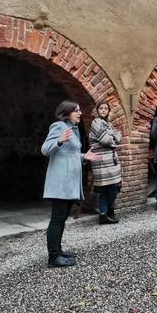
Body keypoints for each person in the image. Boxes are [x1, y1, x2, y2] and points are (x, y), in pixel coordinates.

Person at [42, 101, 99, 268]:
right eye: (76, 111)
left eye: (80, 110)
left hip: (69, 183)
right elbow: (45, 149)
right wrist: (58, 141)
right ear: (66, 113)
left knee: (61, 219)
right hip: (60, 183)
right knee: (57, 219)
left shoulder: (73, 130)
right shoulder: (58, 126)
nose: (80, 113)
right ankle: (53, 257)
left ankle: (58, 251)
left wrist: (83, 157)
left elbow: (68, 155)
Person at [89, 100, 122, 225]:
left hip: (112, 160)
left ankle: (110, 211)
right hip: (101, 161)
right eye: (101, 108)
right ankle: (103, 215)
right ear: (97, 110)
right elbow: (107, 140)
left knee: (114, 187)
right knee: (104, 188)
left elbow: (119, 138)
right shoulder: (96, 122)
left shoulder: (108, 123)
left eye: (105, 109)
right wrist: (112, 136)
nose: (103, 110)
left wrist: (112, 135)